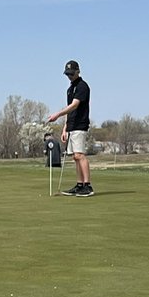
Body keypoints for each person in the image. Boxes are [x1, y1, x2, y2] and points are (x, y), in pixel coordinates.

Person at [47, 59, 93, 196]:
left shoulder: (82, 87)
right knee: (75, 157)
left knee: (80, 155)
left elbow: (74, 105)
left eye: (71, 74)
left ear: (78, 72)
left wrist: (57, 115)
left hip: (80, 124)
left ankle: (87, 186)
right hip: (71, 125)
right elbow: (70, 111)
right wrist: (64, 128)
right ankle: (79, 185)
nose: (69, 76)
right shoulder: (70, 89)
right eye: (67, 74)